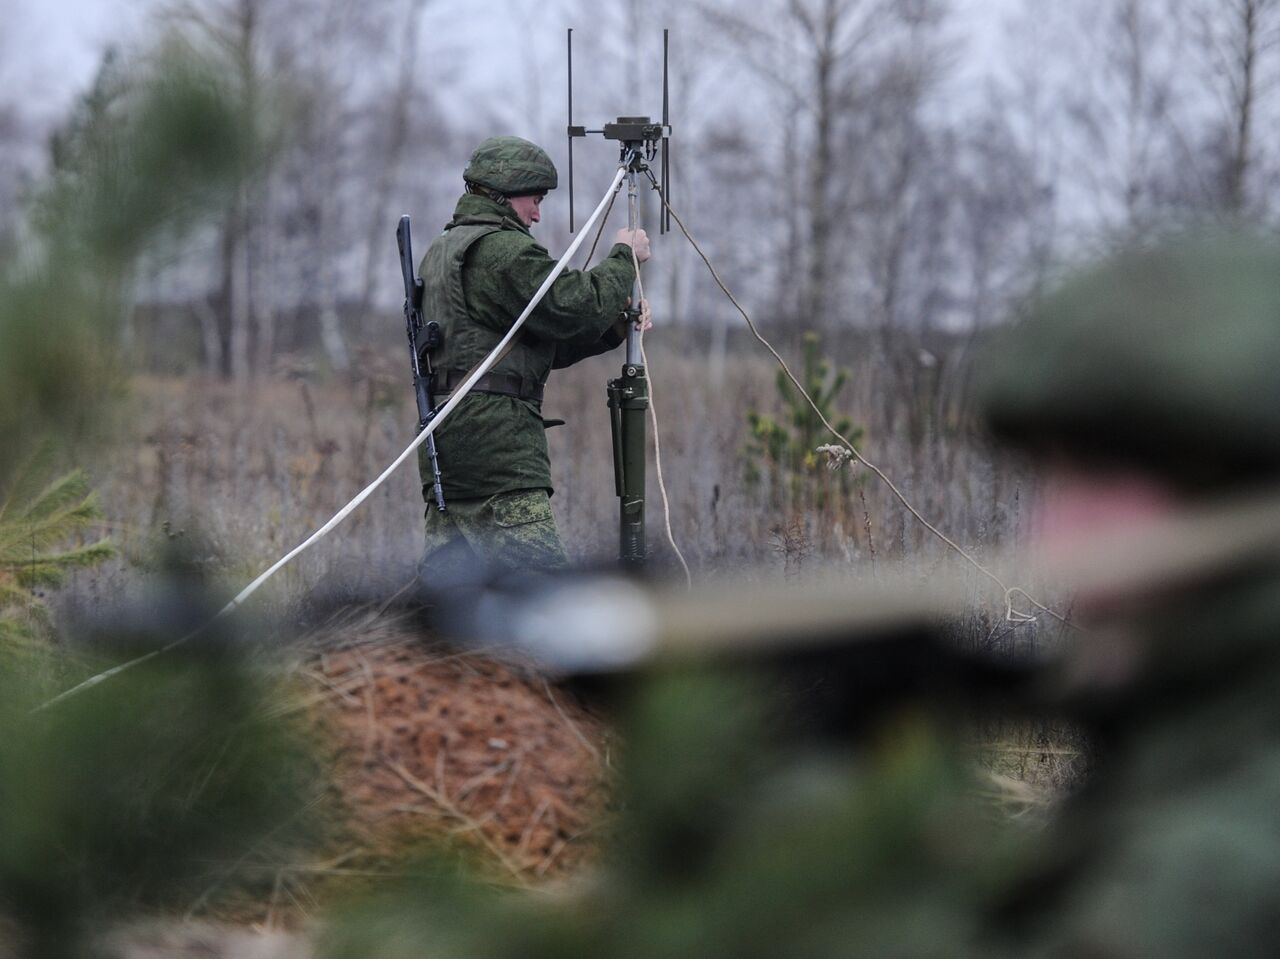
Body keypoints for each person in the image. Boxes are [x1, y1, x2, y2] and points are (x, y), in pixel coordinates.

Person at [972, 234, 1280, 958]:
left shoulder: (1225, 864)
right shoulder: (1198, 731)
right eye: (1051, 477)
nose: (1052, 541)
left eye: (1104, 479)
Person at [415, 135, 650, 579]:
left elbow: (531, 345)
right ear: (503, 193)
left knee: (449, 618)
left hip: (450, 457)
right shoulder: (501, 250)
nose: (538, 214)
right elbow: (569, 306)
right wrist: (624, 258)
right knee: (550, 603)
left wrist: (615, 329)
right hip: (499, 457)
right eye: (534, 200)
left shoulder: (444, 250)